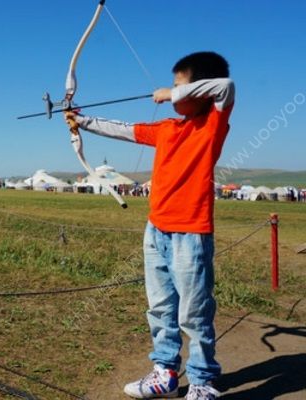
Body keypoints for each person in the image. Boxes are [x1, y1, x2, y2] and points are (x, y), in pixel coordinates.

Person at [65, 52, 234, 400]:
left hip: (191, 233)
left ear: (197, 90)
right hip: (156, 230)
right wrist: (81, 122)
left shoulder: (213, 122)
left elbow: (226, 85)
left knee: (194, 312)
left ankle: (202, 383)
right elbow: (124, 130)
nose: (172, 93)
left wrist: (172, 94)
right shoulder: (167, 129)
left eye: (178, 85)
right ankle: (165, 373)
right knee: (160, 306)